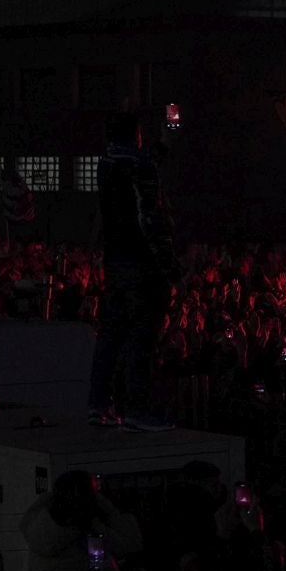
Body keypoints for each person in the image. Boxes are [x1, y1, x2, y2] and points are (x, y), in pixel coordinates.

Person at [87, 112, 178, 431]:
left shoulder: (107, 162)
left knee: (111, 333)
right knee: (142, 336)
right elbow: (148, 217)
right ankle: (137, 409)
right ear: (136, 135)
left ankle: (98, 404)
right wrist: (169, 264)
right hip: (143, 264)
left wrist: (164, 144)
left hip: (117, 262)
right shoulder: (139, 166)